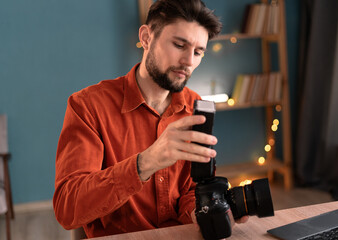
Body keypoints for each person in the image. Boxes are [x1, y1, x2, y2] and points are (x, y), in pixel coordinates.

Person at [53, 0, 247, 238]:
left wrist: (201, 211)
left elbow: (191, 189)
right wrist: (144, 163)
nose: (188, 61)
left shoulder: (197, 105)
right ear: (146, 37)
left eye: (198, 52)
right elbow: (67, 208)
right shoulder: (87, 106)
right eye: (179, 44)